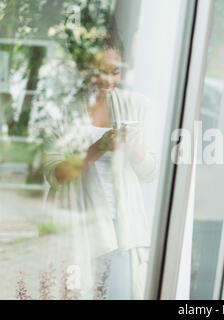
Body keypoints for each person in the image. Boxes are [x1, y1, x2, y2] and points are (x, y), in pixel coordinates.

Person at [40, 33, 158, 299]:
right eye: (99, 72)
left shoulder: (136, 106)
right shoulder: (61, 111)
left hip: (122, 226)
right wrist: (97, 149)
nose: (108, 80)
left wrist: (135, 150)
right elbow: (56, 174)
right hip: (78, 225)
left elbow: (150, 171)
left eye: (115, 72)